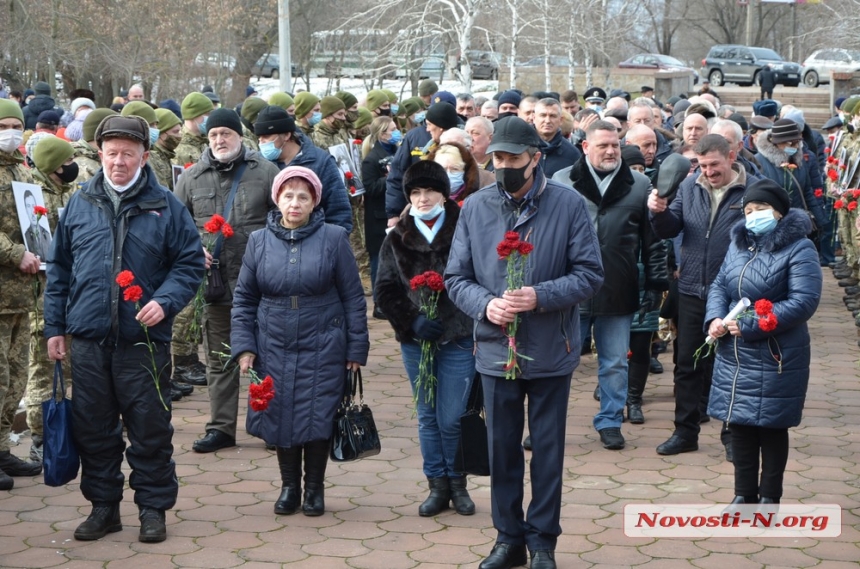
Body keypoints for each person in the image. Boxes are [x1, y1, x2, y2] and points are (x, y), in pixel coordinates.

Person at [445, 117, 604, 569]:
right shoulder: (475, 208)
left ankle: (543, 542)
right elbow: (457, 277)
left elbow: (590, 275)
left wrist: (540, 296)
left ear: (536, 158)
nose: (504, 166)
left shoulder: (568, 205)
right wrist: (485, 305)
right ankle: (507, 538)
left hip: (551, 349)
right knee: (502, 449)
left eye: (514, 158)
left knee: (547, 451)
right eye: (497, 158)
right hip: (496, 349)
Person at [44, 114, 205, 542]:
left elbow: (190, 263)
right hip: (89, 340)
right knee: (94, 429)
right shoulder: (80, 202)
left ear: (144, 156)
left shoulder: (165, 205)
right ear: (99, 153)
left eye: (128, 154)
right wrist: (54, 328)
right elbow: (59, 270)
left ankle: (153, 508)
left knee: (150, 427)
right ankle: (103, 508)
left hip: (144, 343)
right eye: (111, 153)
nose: (118, 162)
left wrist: (164, 301)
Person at [231, 166, 368, 516]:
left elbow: (353, 297)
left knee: (317, 414)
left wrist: (356, 348)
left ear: (314, 202)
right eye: (288, 195)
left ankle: (314, 489)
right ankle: (289, 486)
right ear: (277, 199)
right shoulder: (259, 241)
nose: (295, 203)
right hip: (272, 341)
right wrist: (244, 346)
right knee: (280, 414)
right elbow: (245, 298)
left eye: (303, 197)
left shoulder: (334, 238)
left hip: (323, 339)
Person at [706, 179, 821, 507]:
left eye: (761, 210)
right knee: (739, 424)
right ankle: (743, 493)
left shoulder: (800, 248)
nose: (753, 216)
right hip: (735, 353)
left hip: (776, 352)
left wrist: (753, 324)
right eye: (749, 210)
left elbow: (804, 301)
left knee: (771, 426)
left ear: (780, 214)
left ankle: (770, 496)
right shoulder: (739, 244)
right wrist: (715, 318)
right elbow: (719, 285)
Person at [553, 120, 667, 450]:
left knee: (615, 360)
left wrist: (655, 285)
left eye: (615, 145)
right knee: (559, 361)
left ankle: (610, 420)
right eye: (602, 145)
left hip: (619, 285)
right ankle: (549, 421)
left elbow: (654, 240)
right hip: (569, 290)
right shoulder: (563, 182)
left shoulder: (639, 184)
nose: (610, 150)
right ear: (585, 147)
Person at [173, 108, 281, 454]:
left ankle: (268, 424)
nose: (220, 140)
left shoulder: (265, 172)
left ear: (240, 136)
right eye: (213, 135)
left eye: (226, 134)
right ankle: (220, 428)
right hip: (216, 284)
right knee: (220, 357)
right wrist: (192, 249)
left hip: (260, 283)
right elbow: (176, 226)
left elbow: (283, 219)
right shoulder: (191, 178)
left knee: (266, 354)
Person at [376, 160, 476, 517]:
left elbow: (479, 279)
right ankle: (436, 484)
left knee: (452, 416)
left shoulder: (465, 226)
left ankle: (458, 482)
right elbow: (385, 290)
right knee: (427, 416)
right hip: (416, 341)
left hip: (459, 336)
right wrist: (412, 321)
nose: (422, 199)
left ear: (444, 193)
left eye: (429, 191)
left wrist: (463, 316)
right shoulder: (396, 236)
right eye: (415, 192)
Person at [647, 134, 753, 459]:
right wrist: (659, 212)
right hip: (692, 287)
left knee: (733, 365)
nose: (708, 172)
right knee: (687, 364)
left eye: (714, 165)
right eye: (702, 165)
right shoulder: (689, 186)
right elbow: (670, 229)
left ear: (731, 156)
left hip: (736, 293)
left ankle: (733, 435)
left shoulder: (751, 189)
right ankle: (685, 432)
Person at [0, 99, 43, 491]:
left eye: (17, 124)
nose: (11, 131)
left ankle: (1, 449)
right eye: (4, 125)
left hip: (20, 295)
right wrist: (17, 254)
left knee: (14, 380)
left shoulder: (21, 167)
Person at [360, 116, 399, 318]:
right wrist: (391, 178)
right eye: (393, 129)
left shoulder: (396, 152)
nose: (397, 132)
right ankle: (379, 303)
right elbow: (370, 187)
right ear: (382, 133)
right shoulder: (372, 158)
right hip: (378, 220)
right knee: (378, 261)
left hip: (394, 215)